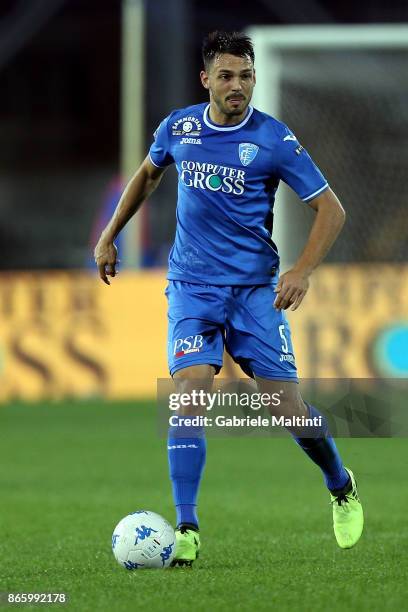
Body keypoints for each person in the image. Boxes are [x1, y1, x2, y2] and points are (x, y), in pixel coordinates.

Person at [94, 30, 364, 567]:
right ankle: (187, 527)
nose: (237, 85)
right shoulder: (180, 127)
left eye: (245, 75)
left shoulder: (274, 140)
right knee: (189, 392)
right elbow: (147, 176)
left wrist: (303, 270)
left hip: (254, 292)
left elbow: (331, 209)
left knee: (286, 408)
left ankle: (340, 484)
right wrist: (110, 234)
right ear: (206, 80)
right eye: (226, 76)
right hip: (192, 288)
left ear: (254, 77)